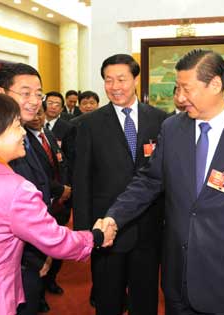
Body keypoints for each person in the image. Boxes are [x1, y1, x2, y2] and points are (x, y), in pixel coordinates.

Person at [103, 49, 224, 315]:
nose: (180, 98)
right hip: (178, 274)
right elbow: (149, 180)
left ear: (214, 84)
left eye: (186, 89)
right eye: (177, 88)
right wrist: (114, 217)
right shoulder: (171, 128)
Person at [0, 92, 114, 315]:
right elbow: (56, 240)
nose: (22, 132)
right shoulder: (16, 189)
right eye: (17, 125)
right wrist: (96, 237)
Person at [73, 53, 167, 315]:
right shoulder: (88, 124)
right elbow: (81, 180)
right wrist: (84, 232)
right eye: (108, 80)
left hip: (149, 228)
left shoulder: (161, 120)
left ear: (136, 79)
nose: (115, 87)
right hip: (105, 230)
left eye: (122, 79)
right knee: (108, 299)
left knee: (145, 298)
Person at [0, 63, 67, 315]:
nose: (35, 101)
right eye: (25, 93)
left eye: (39, 94)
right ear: (2, 94)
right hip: (12, 263)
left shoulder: (26, 135)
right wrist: (35, 255)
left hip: (32, 250)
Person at [26, 107, 71, 297]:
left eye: (40, 114)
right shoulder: (24, 140)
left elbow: (62, 163)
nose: (37, 118)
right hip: (42, 201)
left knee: (58, 244)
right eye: (33, 114)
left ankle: (52, 279)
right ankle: (40, 292)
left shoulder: (49, 135)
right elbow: (37, 174)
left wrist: (66, 188)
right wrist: (60, 190)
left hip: (60, 202)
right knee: (40, 250)